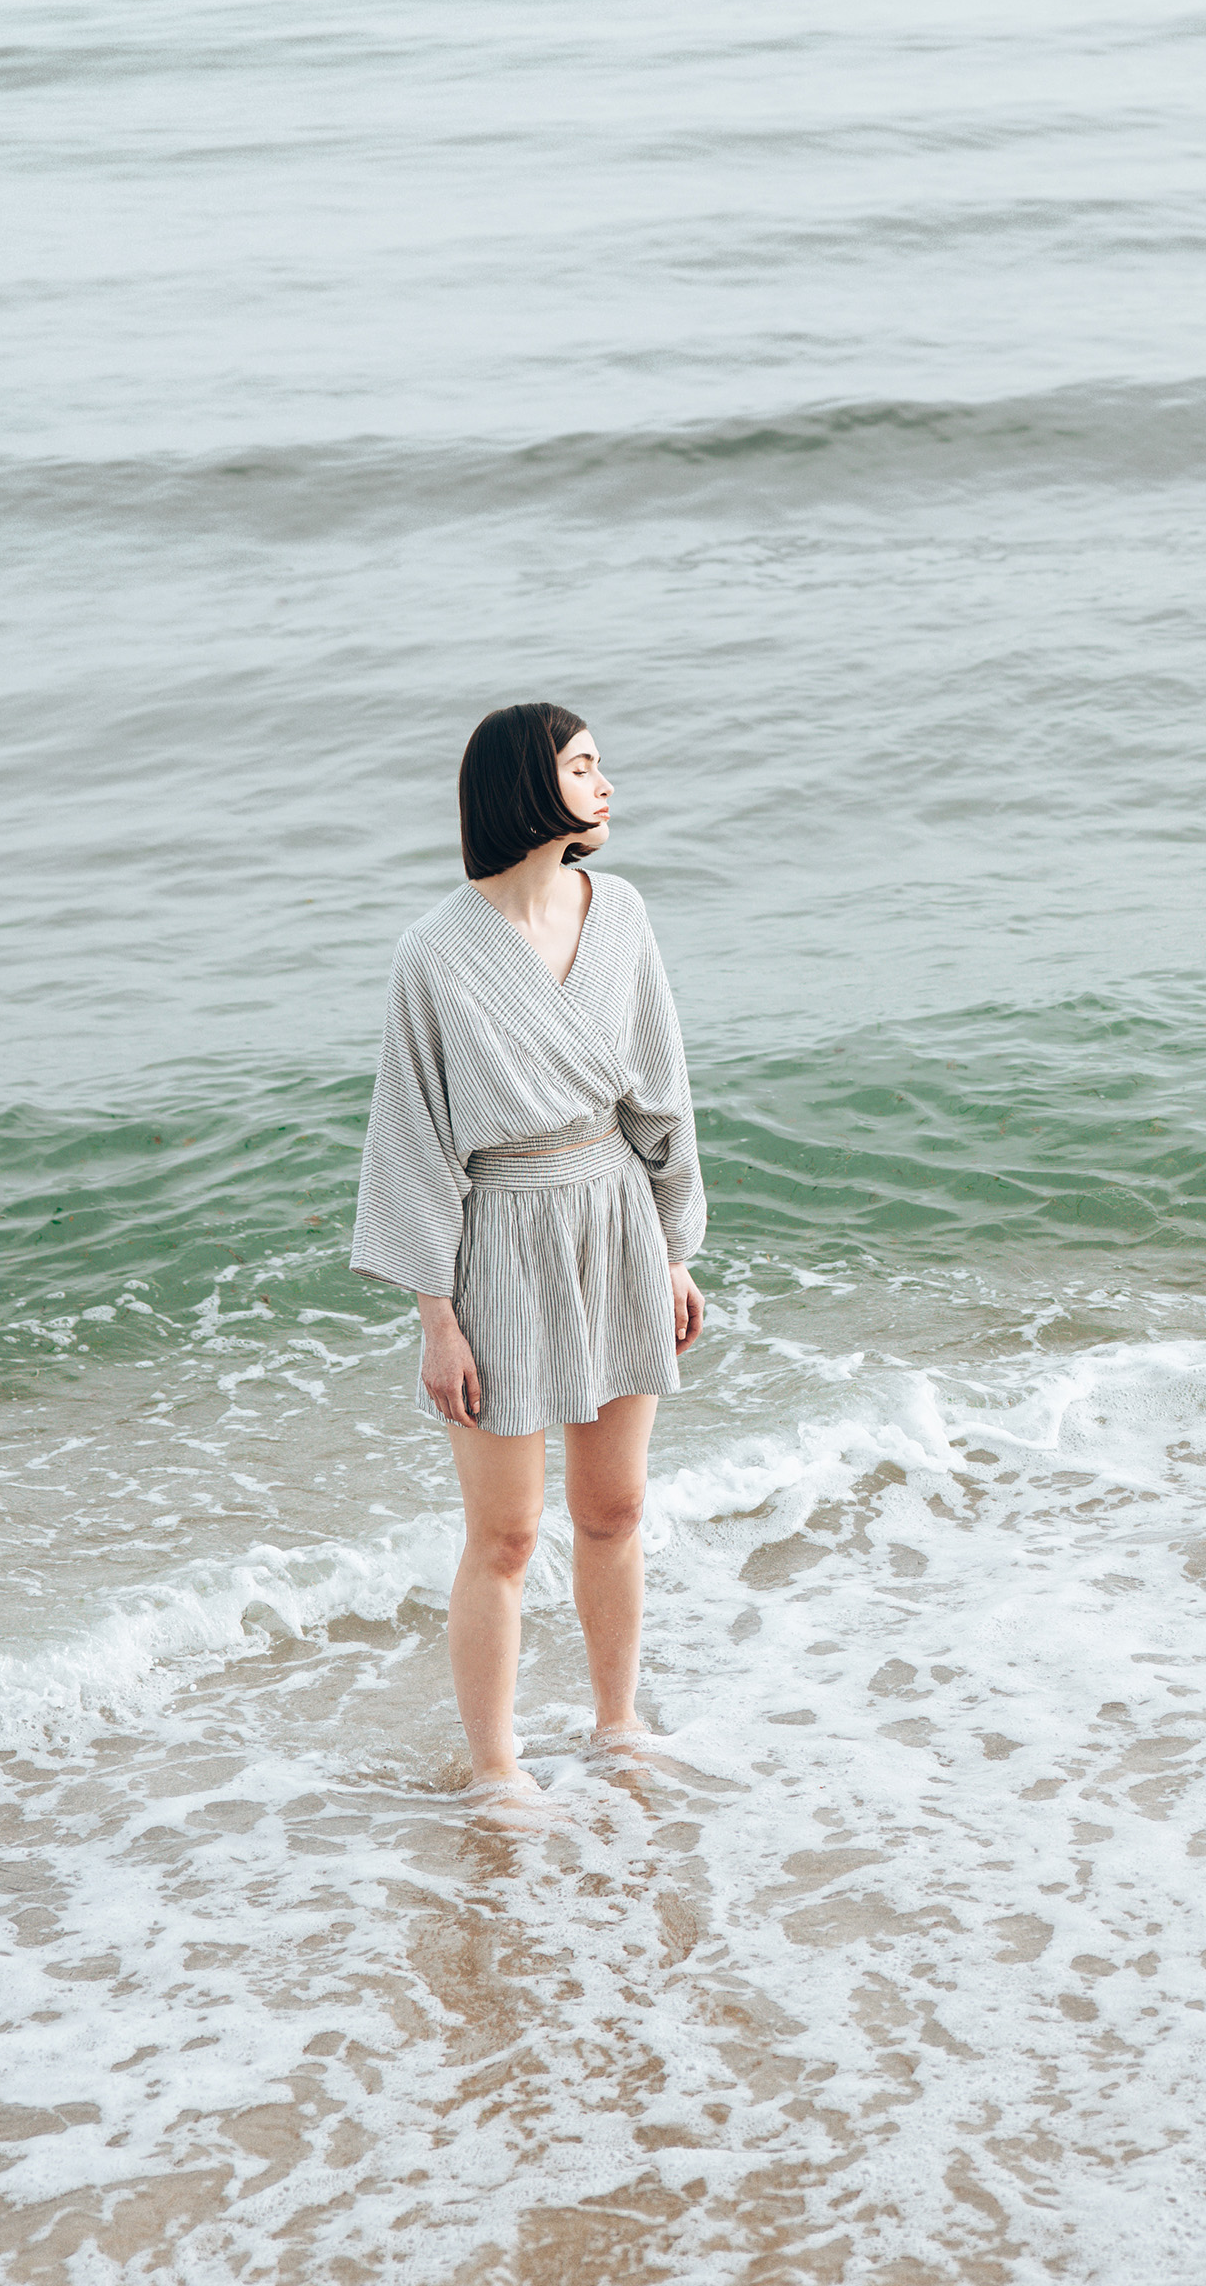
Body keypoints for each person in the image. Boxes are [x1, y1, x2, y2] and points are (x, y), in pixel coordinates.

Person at [350, 702, 705, 1803]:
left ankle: (617, 1725)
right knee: (504, 1536)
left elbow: (663, 1093)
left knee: (614, 1511)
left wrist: (675, 1250)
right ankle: (496, 1771)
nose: (605, 783)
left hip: (614, 1217)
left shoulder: (621, 913)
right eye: (583, 765)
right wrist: (436, 1319)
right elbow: (411, 1142)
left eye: (600, 765)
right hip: (498, 1234)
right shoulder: (433, 953)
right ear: (524, 784)